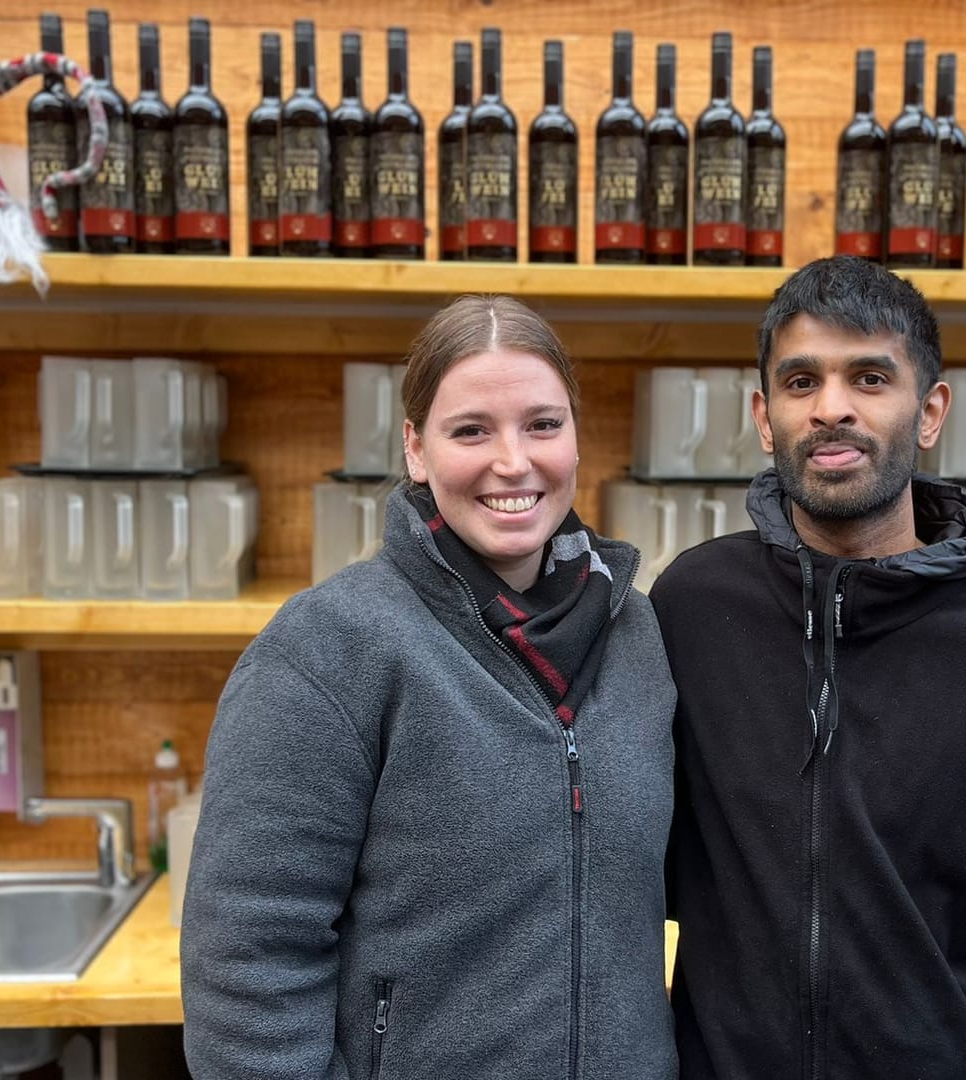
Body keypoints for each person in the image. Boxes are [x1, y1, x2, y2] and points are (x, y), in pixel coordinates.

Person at [182, 295, 678, 1080]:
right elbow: (248, 956)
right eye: (471, 430)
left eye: (543, 425)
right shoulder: (326, 649)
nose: (513, 462)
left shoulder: (638, 635)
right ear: (416, 448)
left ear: (577, 440)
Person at [652, 256, 966, 1080]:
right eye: (801, 382)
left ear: (929, 410)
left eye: (870, 378)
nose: (832, 407)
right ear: (766, 419)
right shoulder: (691, 607)